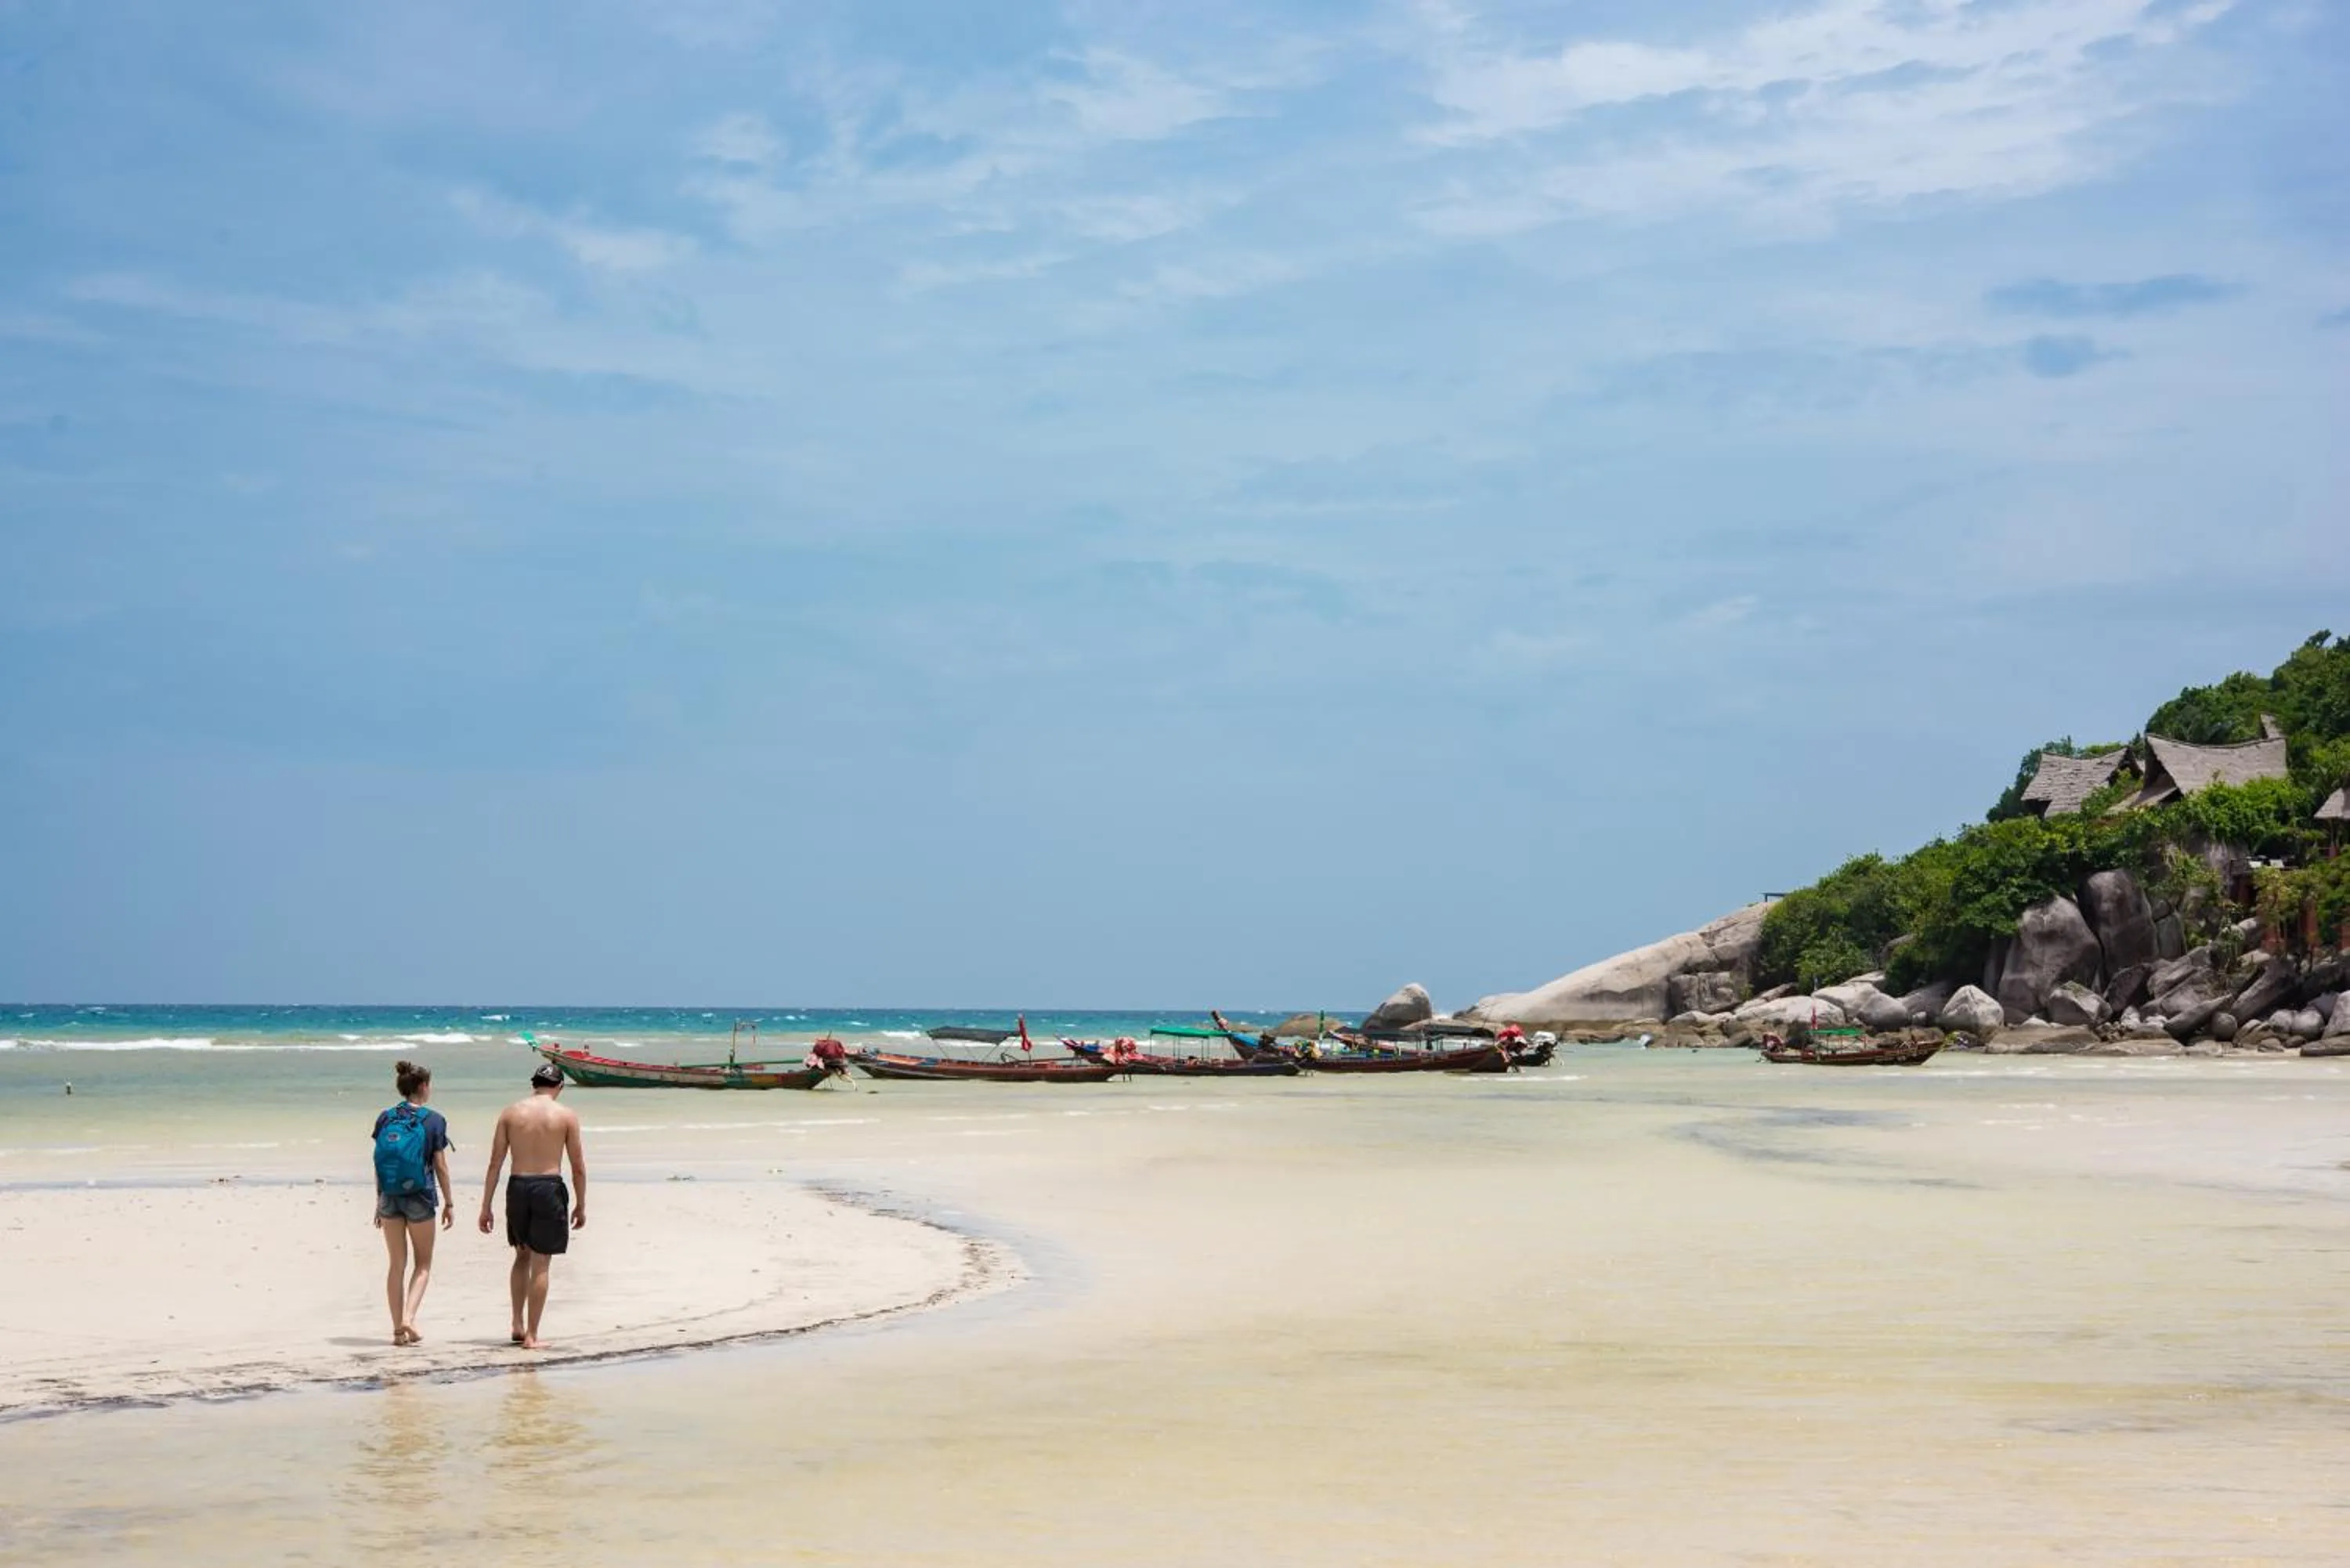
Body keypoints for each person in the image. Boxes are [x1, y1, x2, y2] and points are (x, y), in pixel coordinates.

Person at [478, 1060, 588, 1350]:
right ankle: (532, 1335)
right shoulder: (566, 1116)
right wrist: (581, 1204)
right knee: (541, 1264)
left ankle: (517, 1323)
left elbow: (495, 1163)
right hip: (548, 1188)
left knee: (521, 1257)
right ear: (560, 1087)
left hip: (518, 1187)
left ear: (533, 1085)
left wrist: (486, 1206)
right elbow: (578, 1166)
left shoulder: (510, 1113)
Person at [371, 1060, 454, 1346]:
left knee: (396, 1264)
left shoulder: (385, 1117)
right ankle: (409, 1317)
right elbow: (440, 1166)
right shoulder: (434, 1120)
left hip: (389, 1196)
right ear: (423, 1086)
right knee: (423, 1264)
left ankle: (397, 1332)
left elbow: (379, 1162)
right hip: (420, 1196)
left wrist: (378, 1200)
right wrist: (449, 1203)